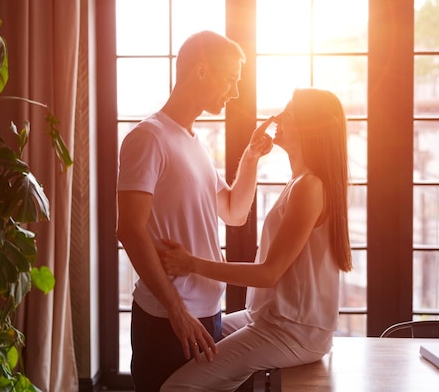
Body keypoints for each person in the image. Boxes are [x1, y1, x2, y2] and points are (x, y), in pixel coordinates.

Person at [158, 87, 354, 392]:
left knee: (178, 388)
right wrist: (251, 157)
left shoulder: (310, 186)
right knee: (201, 335)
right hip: (270, 318)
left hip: (294, 332)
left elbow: (268, 273)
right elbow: (237, 213)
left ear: (310, 127)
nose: (277, 118)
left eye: (289, 114)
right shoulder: (300, 181)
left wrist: (192, 264)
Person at [116, 30, 274, 392]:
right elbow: (129, 229)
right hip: (168, 318)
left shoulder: (194, 142)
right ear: (201, 71)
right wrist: (176, 311)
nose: (234, 92)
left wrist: (250, 158)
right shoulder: (148, 137)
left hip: (207, 312)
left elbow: (234, 212)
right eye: (230, 80)